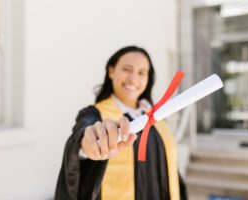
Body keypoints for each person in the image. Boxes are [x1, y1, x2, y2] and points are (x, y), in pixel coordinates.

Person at [55, 46, 187, 200]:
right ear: (111, 71)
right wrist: (88, 144)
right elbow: (84, 132)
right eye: (127, 69)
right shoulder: (94, 115)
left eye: (141, 73)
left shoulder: (156, 117)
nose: (133, 79)